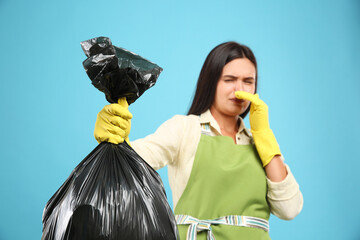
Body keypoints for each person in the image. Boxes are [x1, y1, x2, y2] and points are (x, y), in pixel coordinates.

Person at [94, 41, 303, 239]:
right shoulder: (185, 129)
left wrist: (264, 136)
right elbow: (136, 161)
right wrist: (116, 139)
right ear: (211, 82)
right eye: (229, 80)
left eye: (248, 81)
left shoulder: (262, 145)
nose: (240, 90)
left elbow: (289, 209)